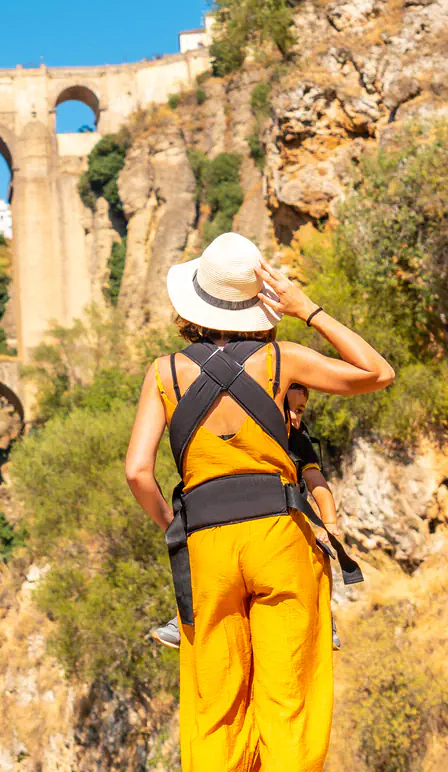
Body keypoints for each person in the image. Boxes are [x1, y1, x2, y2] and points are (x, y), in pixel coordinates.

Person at [123, 232, 394, 771]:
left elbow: (137, 471)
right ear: (259, 303)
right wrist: (308, 310)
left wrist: (173, 526)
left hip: (207, 546)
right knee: (287, 697)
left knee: (218, 702)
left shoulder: (163, 374)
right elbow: (377, 372)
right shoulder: (282, 360)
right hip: (280, 536)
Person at [148, 382, 342, 652]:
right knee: (203, 553)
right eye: (290, 408)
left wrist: (329, 524)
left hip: (287, 519)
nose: (296, 417)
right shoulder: (251, 430)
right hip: (244, 518)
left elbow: (316, 481)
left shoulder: (299, 439)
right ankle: (184, 619)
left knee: (318, 552)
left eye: (301, 410)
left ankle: (324, 617)